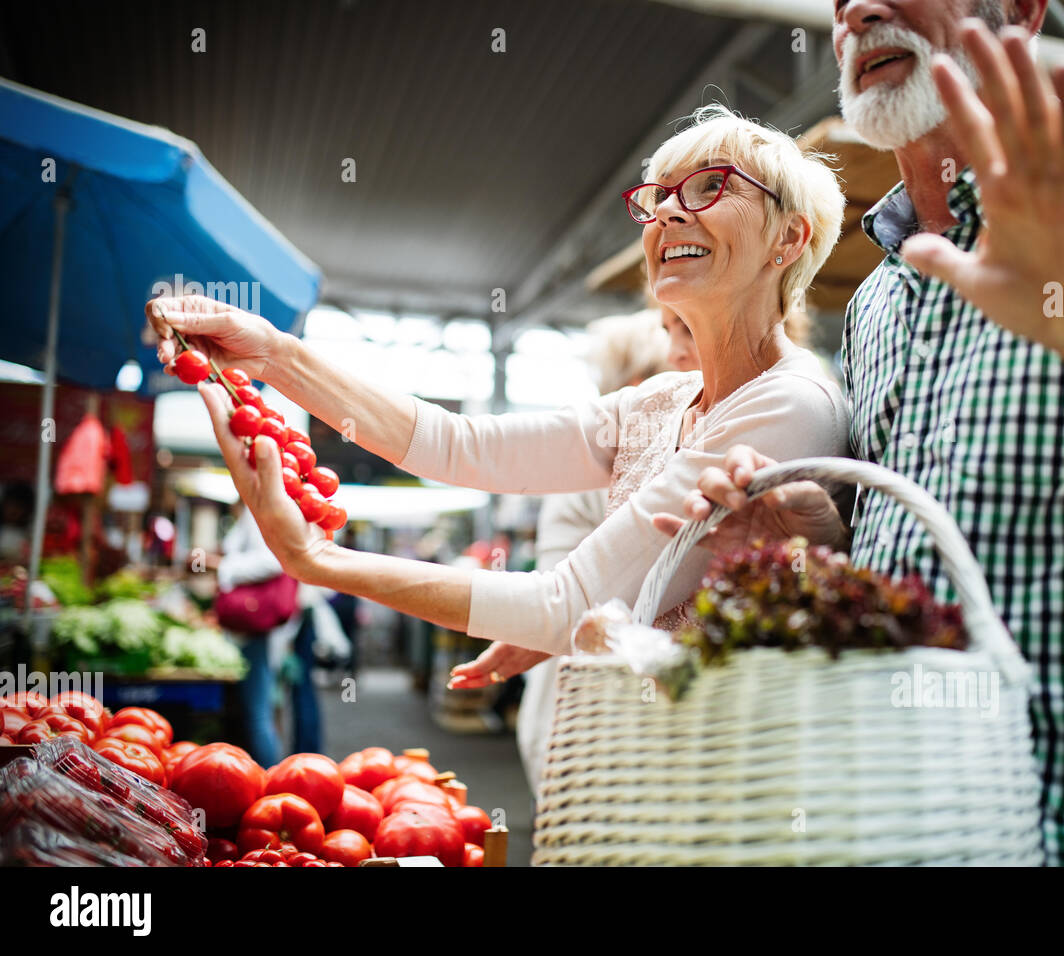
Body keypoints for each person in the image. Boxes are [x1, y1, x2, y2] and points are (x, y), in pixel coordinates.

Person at [657, 0, 1064, 866]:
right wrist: (828, 535)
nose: (859, 10)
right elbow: (933, 560)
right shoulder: (880, 300)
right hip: (895, 826)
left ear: (1027, 10)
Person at [145, 107, 849, 682]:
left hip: (723, 779)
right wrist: (275, 353)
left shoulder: (786, 403)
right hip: (634, 757)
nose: (668, 214)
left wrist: (317, 560)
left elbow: (565, 602)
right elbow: (461, 446)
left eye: (708, 187)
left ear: (789, 238)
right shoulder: (664, 399)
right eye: (660, 197)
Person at [515, 308, 688, 796]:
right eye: (679, 348)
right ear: (643, 388)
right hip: (584, 730)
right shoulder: (608, 473)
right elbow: (575, 608)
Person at [215, 504, 300, 767]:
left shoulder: (260, 510)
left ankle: (267, 780)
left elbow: (273, 560)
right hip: (254, 627)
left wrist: (225, 566)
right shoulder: (260, 509)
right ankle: (265, 779)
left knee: (257, 712)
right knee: (257, 710)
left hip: (255, 628)